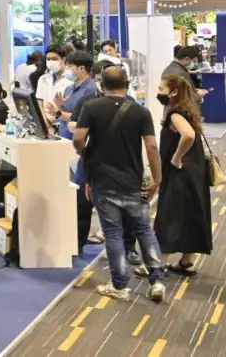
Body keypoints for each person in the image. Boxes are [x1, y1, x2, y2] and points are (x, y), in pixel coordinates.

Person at [73, 66, 166, 302]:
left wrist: (85, 155)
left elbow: (78, 138)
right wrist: (157, 179)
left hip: (103, 180)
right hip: (133, 180)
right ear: (127, 84)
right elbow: (151, 146)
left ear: (101, 85)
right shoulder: (140, 111)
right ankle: (157, 280)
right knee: (144, 230)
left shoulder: (91, 107)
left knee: (113, 233)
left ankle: (119, 285)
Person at [151, 74, 212, 276]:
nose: (158, 93)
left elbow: (188, 135)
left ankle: (158, 263)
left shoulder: (175, 114)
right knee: (192, 212)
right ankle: (186, 261)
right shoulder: (189, 111)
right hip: (195, 171)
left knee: (169, 214)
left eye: (162, 89)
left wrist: (176, 157)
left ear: (174, 92)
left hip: (179, 172)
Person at [57, 51, 99, 142]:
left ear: (81, 68)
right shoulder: (69, 89)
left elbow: (84, 118)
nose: (66, 69)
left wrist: (59, 113)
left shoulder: (90, 89)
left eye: (70, 66)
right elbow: (63, 114)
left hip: (79, 142)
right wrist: (59, 105)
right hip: (64, 139)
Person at [36, 45, 72, 127]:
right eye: (48, 59)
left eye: (54, 59)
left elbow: (71, 109)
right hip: (46, 123)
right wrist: (45, 122)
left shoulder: (71, 79)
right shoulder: (43, 78)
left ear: (63, 59)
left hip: (63, 124)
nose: (51, 62)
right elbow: (39, 103)